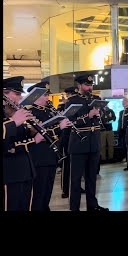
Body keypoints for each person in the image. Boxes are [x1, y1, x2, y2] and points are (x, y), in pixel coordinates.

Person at [64, 74, 109, 211]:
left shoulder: (96, 99)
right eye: (87, 85)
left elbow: (102, 119)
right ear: (79, 86)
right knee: (76, 179)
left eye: (91, 85)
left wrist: (101, 113)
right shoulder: (72, 101)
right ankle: (74, 207)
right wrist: (87, 116)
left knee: (91, 178)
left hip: (94, 142)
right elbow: (69, 123)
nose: (90, 88)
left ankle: (92, 205)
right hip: (78, 143)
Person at [27, 80, 72, 211]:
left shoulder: (49, 111)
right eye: (44, 95)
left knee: (48, 189)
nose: (47, 98)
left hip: (51, 155)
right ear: (35, 96)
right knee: (39, 191)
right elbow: (41, 133)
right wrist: (59, 126)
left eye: (47, 95)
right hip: (39, 156)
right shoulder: (30, 112)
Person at [3, 76, 37, 211]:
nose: (19, 98)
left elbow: (22, 136)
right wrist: (14, 122)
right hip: (8, 172)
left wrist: (34, 130)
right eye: (16, 94)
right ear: (4, 93)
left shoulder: (15, 112)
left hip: (25, 169)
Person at [58, 86, 82, 198]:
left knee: (75, 165)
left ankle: (76, 187)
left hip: (74, 137)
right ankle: (65, 189)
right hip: (66, 137)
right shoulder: (63, 106)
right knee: (67, 165)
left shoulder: (77, 105)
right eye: (72, 96)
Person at [118, 97, 128, 171]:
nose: (123, 102)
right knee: (126, 149)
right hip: (123, 133)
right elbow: (120, 123)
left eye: (125, 101)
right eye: (123, 101)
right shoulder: (121, 112)